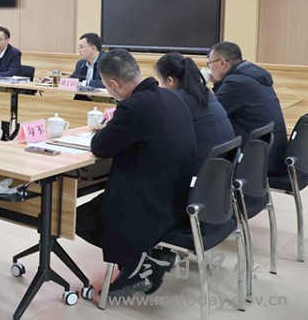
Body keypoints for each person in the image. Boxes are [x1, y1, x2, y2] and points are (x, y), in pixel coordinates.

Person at [75, 49, 198, 297]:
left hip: (149, 205)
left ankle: (138, 266)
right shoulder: (173, 97)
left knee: (79, 217)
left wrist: (106, 129)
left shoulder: (133, 107)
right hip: (180, 197)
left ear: (113, 84)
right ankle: (146, 259)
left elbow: (100, 147)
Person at [208, 41, 288, 176]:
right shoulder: (251, 75)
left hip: (257, 162)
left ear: (222, 63)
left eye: (210, 63)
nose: (209, 68)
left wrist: (202, 85)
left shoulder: (236, 83)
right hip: (270, 154)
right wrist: (219, 84)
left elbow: (211, 113)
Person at [155, 53, 235, 169]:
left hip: (202, 170)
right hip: (221, 168)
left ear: (170, 80)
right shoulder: (205, 93)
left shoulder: (176, 100)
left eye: (160, 82)